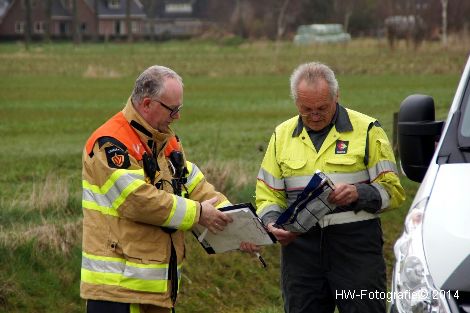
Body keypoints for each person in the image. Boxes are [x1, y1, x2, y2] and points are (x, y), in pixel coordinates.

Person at [81, 65, 235, 313]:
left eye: (179, 109)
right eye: (172, 110)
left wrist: (240, 224)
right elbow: (137, 201)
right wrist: (198, 214)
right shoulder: (110, 143)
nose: (177, 117)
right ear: (147, 104)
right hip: (116, 291)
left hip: (157, 290)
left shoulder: (166, 141)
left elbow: (195, 185)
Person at [255, 62, 405, 313]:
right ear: (296, 103)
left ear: (337, 96)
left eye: (322, 108)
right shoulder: (281, 135)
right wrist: (272, 223)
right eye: (306, 109)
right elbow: (268, 194)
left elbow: (393, 191)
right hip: (300, 251)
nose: (314, 115)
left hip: (356, 248)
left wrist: (359, 193)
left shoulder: (368, 130)